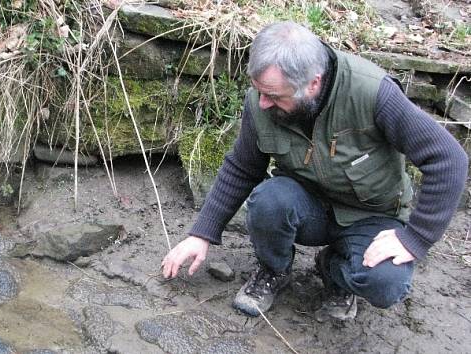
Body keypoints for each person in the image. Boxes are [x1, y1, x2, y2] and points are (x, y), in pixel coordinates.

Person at [161, 21, 468, 321]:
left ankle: (334, 269)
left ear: (313, 84)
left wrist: (415, 237)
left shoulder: (373, 93)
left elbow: (448, 159)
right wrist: (201, 234)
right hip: (306, 206)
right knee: (269, 201)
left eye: (275, 95)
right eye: (259, 91)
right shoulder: (263, 99)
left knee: (386, 284)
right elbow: (242, 167)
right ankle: (274, 270)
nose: (263, 103)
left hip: (370, 215)